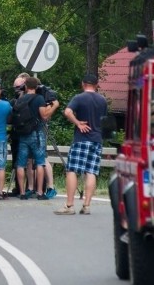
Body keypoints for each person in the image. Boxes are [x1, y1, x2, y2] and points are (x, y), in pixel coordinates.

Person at [55, 73, 109, 215]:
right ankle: (86, 205)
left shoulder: (79, 98)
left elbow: (67, 112)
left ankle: (69, 205)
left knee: (72, 170)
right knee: (91, 171)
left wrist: (78, 123)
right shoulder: (103, 100)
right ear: (96, 85)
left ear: (83, 84)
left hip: (81, 138)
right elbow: (104, 120)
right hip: (97, 139)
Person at [14, 77, 58, 200]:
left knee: (21, 163)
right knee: (40, 162)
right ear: (37, 87)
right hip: (37, 133)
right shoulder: (39, 99)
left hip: (23, 134)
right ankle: (39, 192)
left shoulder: (21, 99)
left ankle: (23, 192)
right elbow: (44, 115)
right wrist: (54, 106)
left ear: (26, 86)